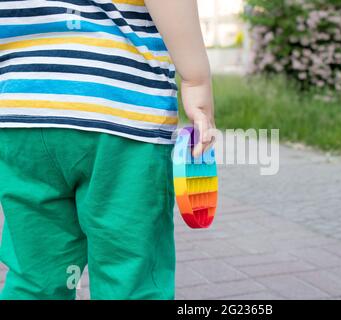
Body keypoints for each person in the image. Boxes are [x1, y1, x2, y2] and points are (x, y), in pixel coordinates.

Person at [0, 0, 215, 299]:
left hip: (19, 114)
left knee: (35, 274)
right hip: (120, 113)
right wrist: (196, 80)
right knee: (128, 271)